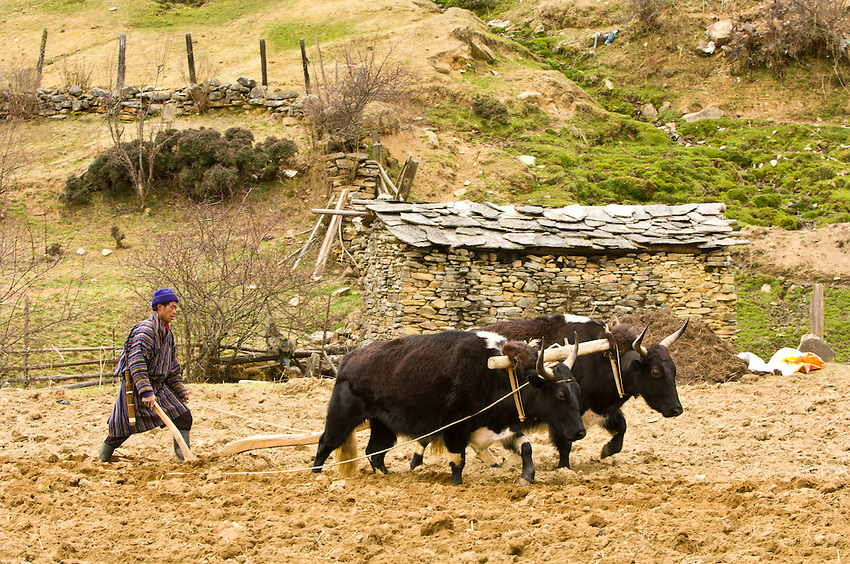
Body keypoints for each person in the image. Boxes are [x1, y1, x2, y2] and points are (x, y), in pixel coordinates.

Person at [96, 288, 192, 462]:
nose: (174, 311)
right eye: (171, 307)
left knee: (183, 417)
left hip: (158, 389)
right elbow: (136, 362)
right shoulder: (146, 331)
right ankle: (101, 459)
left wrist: (180, 390)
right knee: (121, 429)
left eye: (176, 308)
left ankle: (183, 460)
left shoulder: (167, 333)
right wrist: (146, 392)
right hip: (137, 390)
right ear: (159, 307)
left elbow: (172, 365)